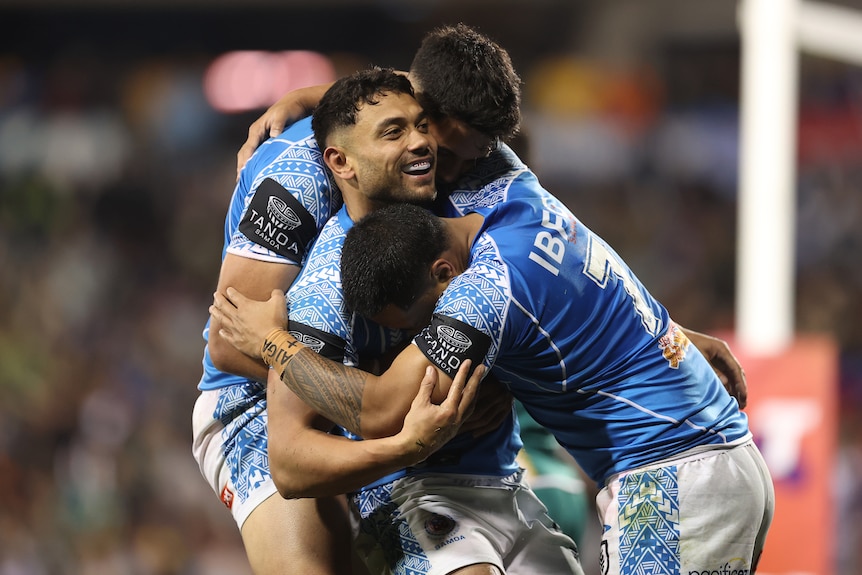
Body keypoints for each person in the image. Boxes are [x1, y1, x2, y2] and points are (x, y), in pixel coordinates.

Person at [213, 192, 774, 572]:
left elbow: (379, 408)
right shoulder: (521, 198)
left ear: (442, 274)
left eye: (417, 327)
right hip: (722, 460)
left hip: (670, 479)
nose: (421, 345)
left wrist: (272, 343)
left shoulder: (480, 295)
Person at [263, 66, 584, 575]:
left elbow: (569, 270)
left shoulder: (476, 199)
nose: (421, 142)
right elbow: (289, 459)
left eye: (421, 125)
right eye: (394, 132)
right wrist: (404, 447)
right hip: (409, 498)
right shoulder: (324, 293)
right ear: (340, 161)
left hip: (508, 486)